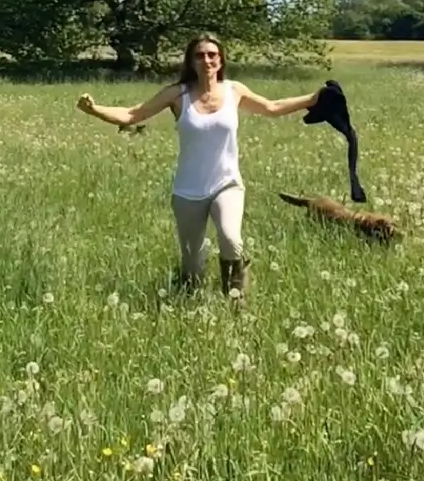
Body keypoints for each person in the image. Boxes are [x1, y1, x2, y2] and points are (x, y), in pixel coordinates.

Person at [76, 33, 320, 300]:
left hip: (227, 184)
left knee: (231, 239)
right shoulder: (177, 94)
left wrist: (314, 97)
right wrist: (95, 109)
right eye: (200, 55)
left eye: (212, 55)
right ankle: (190, 300)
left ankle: (236, 299)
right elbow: (134, 114)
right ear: (191, 61)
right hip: (188, 190)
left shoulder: (234, 90)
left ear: (221, 59)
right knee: (192, 264)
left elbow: (272, 107)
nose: (207, 60)